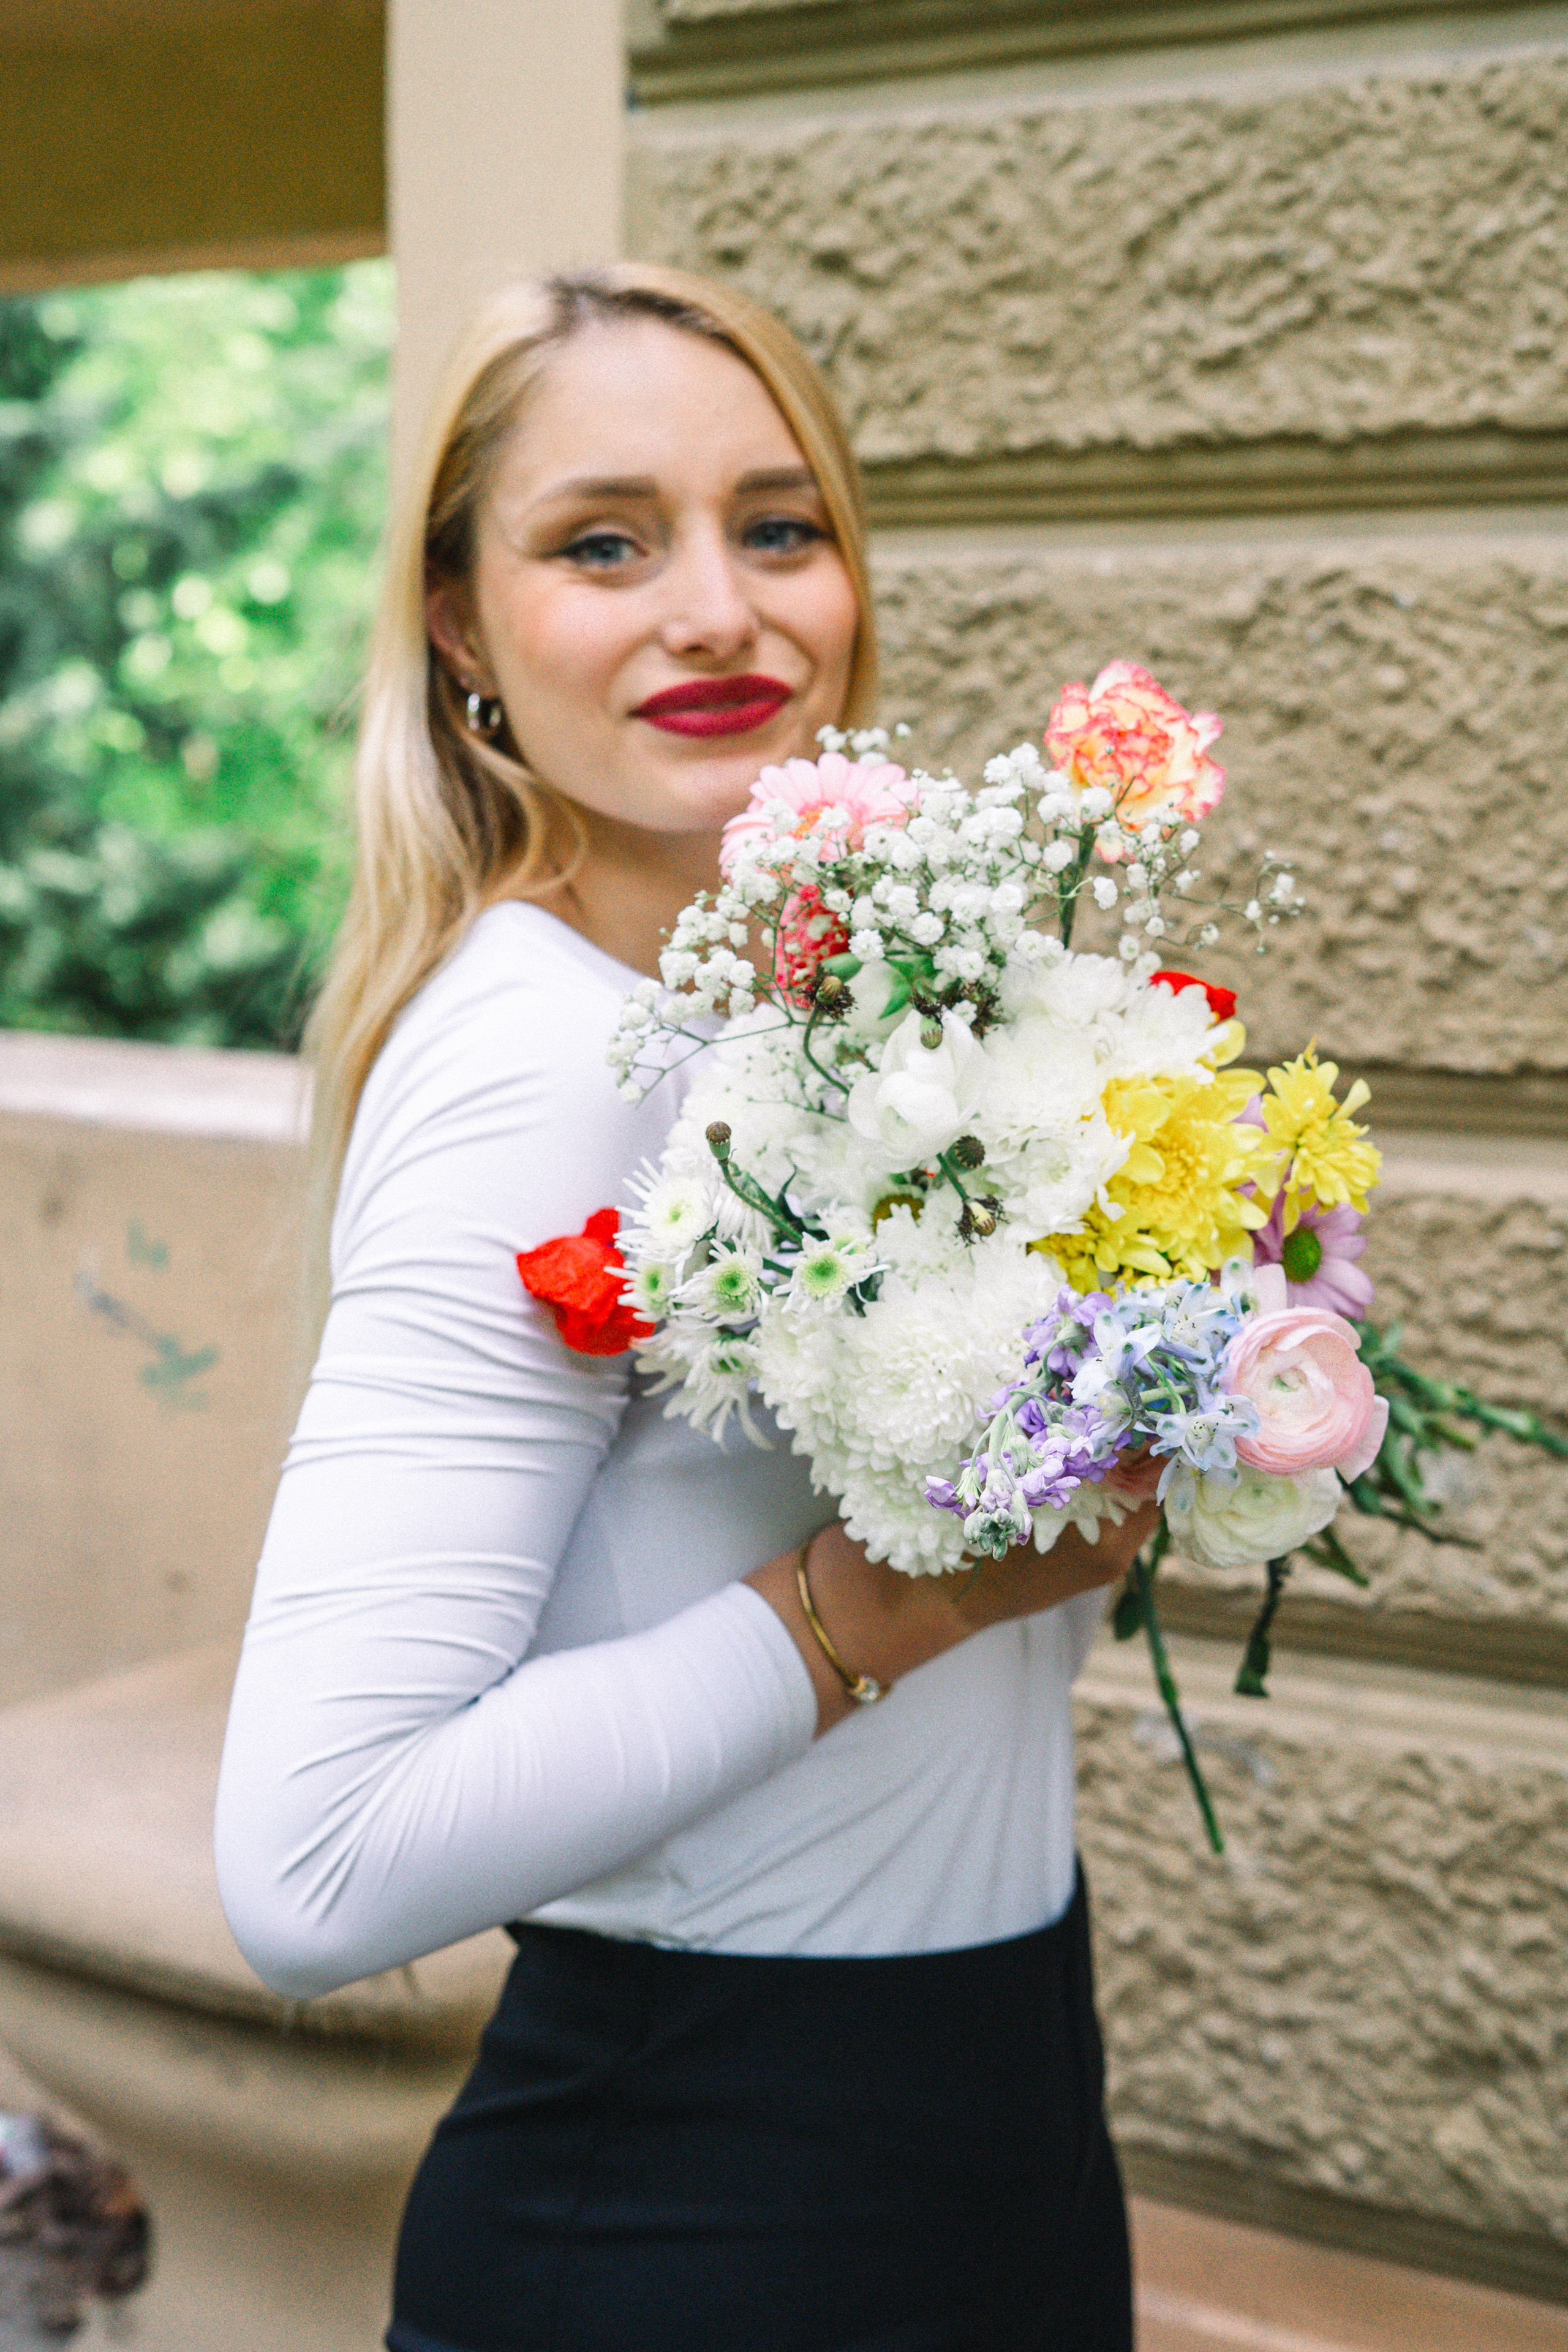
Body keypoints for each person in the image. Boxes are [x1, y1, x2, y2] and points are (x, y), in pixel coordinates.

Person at [215, 263, 1156, 2352]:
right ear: (462, 622)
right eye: (605, 542)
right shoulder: (545, 1052)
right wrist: (870, 1615)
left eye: (780, 525)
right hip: (696, 2222)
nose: (719, 609)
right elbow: (319, 1863)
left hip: (997, 2132)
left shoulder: (888, 1023)